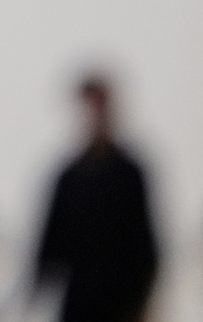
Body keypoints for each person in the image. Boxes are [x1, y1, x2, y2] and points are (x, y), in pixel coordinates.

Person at [33, 72, 159, 322]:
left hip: (122, 300)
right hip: (80, 298)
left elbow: (145, 242)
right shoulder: (69, 176)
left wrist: (142, 301)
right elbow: (51, 241)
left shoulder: (130, 173)